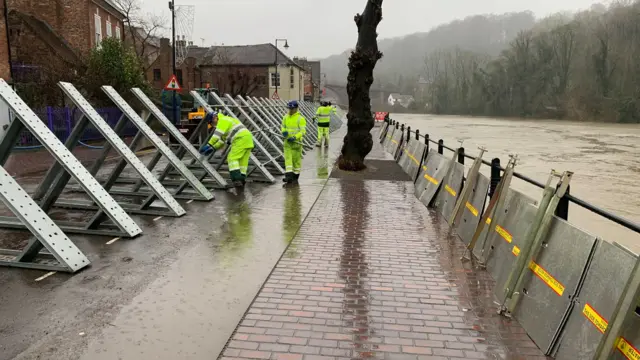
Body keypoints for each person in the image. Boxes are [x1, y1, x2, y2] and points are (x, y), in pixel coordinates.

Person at [199, 110, 254, 188]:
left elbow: (216, 136)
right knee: (242, 162)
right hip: (247, 139)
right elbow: (222, 140)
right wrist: (213, 147)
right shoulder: (227, 120)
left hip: (240, 139)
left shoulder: (223, 120)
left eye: (212, 122)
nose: (213, 124)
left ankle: (237, 180)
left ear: (215, 118)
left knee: (232, 158)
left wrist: (208, 145)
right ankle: (242, 179)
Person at [281, 100, 307, 184]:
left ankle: (295, 176)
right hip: (287, 142)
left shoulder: (300, 118)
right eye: (289, 108)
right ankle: (288, 176)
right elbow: (283, 126)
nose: (290, 110)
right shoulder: (285, 117)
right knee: (288, 159)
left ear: (296, 108)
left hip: (296, 143)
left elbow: (303, 131)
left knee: (296, 161)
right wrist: (283, 131)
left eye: (292, 109)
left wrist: (295, 137)